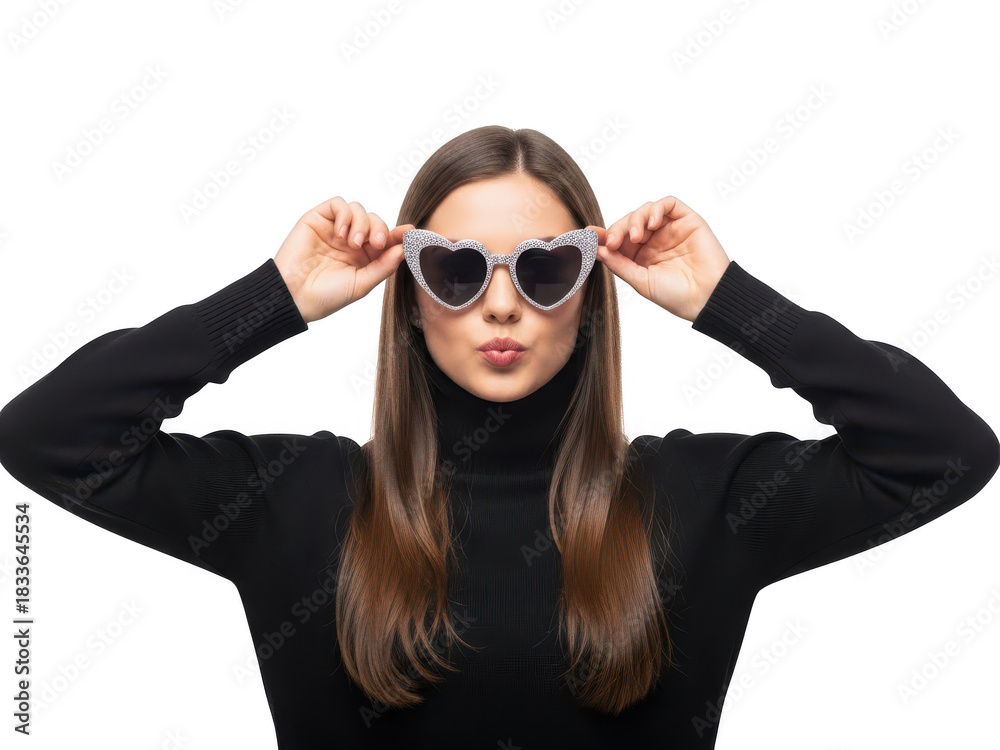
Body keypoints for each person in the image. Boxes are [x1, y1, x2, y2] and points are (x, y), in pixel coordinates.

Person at [0, 125, 997, 749]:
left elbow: (945, 452)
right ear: (408, 295)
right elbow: (47, 436)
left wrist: (726, 300)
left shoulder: (704, 497)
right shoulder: (293, 499)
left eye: (547, 268)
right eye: (458, 269)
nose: (504, 305)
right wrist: (276, 298)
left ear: (592, 295)